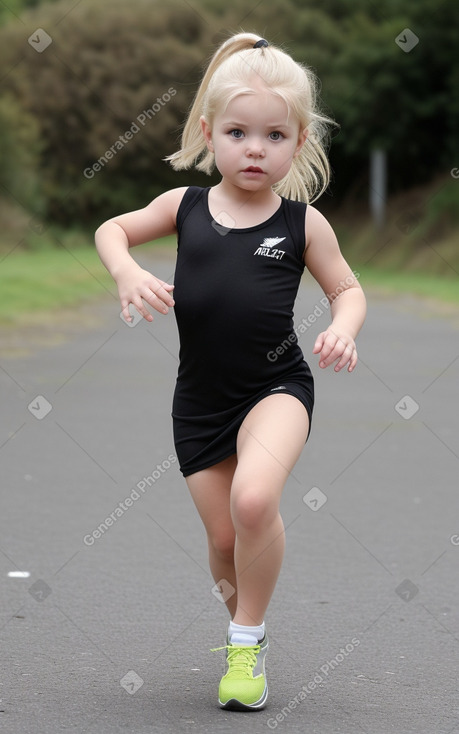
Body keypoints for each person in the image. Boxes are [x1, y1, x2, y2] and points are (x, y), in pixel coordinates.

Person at [95, 32, 366, 711]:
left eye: (274, 135)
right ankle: (246, 628)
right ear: (211, 134)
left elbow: (348, 290)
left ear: (297, 143)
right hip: (200, 403)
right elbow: (111, 231)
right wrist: (127, 271)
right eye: (239, 132)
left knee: (252, 503)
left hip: (275, 390)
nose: (255, 147)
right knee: (222, 540)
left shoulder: (304, 224)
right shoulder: (184, 208)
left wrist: (341, 326)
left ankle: (244, 644)